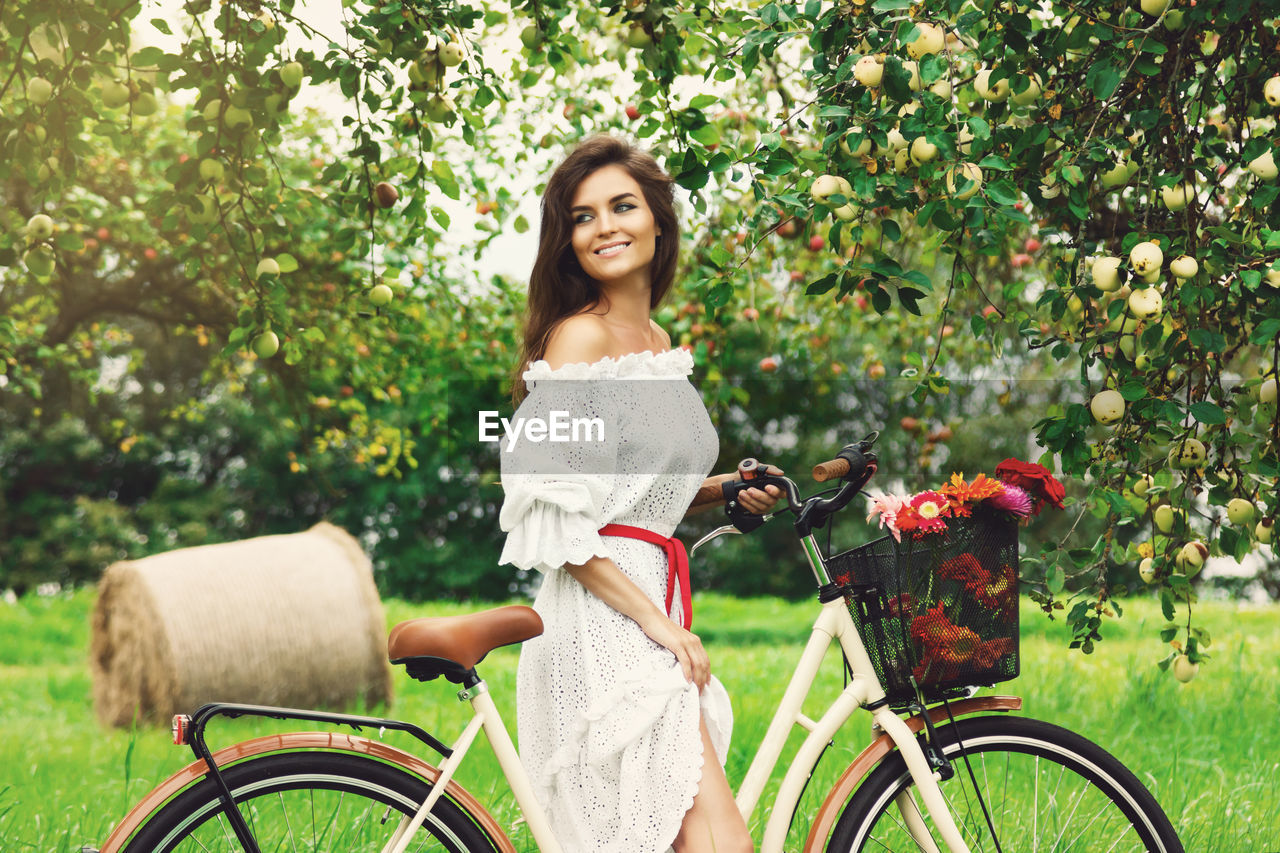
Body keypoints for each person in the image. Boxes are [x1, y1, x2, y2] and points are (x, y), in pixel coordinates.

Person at [497, 135, 782, 853]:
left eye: (622, 206)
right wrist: (658, 624)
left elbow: (633, 497)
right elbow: (559, 520)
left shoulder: (656, 340)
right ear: (568, 242)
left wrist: (726, 490)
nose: (606, 227)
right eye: (584, 217)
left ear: (658, 218)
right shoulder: (580, 340)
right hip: (602, 619)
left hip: (646, 608)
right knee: (719, 841)